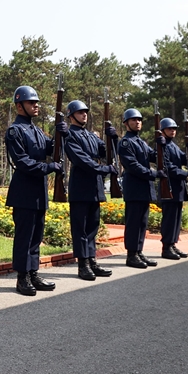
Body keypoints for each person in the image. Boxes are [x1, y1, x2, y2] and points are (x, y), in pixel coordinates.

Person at [5, 85, 67, 295]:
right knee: (24, 235)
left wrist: (61, 136)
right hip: (24, 190)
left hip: (38, 190)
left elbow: (49, 148)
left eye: (37, 102)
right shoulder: (15, 131)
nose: (36, 106)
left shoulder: (36, 130)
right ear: (20, 106)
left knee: (36, 235)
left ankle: (33, 272)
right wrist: (48, 167)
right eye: (32, 102)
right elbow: (22, 162)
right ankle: (22, 277)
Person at [62, 100, 114, 280]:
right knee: (81, 228)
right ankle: (83, 264)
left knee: (93, 227)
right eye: (80, 112)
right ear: (71, 116)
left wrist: (112, 138)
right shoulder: (70, 135)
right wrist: (103, 169)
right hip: (81, 186)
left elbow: (106, 153)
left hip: (95, 186)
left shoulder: (91, 136)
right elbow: (81, 160)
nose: (84, 114)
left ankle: (92, 260)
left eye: (85, 112)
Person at [117, 109, 161, 269]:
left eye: (139, 120)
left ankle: (139, 251)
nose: (137, 122)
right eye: (133, 120)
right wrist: (154, 173)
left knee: (142, 223)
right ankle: (131, 255)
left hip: (144, 188)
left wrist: (161, 146)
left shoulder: (141, 142)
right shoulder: (126, 142)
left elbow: (153, 156)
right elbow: (133, 166)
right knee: (134, 222)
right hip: (134, 188)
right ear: (126, 123)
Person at [159, 117, 188, 260]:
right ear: (163, 131)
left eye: (174, 129)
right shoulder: (163, 146)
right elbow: (170, 168)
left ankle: (172, 243)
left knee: (176, 218)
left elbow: (185, 160)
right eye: (169, 129)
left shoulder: (173, 145)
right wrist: (186, 173)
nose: (173, 131)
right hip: (168, 187)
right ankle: (166, 247)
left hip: (177, 188)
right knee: (169, 218)